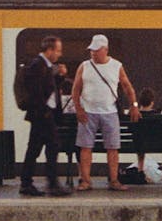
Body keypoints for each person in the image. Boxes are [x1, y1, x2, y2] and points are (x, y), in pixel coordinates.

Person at [71, 34, 140, 192]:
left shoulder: (116, 66)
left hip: (110, 112)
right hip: (88, 111)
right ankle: (86, 180)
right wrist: (79, 109)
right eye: (91, 50)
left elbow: (127, 87)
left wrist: (134, 105)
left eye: (96, 50)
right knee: (85, 147)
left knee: (112, 147)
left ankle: (114, 180)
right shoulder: (84, 66)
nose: (93, 53)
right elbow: (75, 89)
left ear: (105, 50)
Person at [18, 35, 69, 197]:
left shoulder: (45, 66)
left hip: (43, 114)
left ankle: (28, 183)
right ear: (49, 50)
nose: (59, 54)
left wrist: (60, 77)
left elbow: (50, 89)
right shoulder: (38, 65)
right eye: (58, 51)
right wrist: (45, 112)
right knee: (51, 146)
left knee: (36, 148)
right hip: (42, 115)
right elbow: (37, 92)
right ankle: (50, 184)